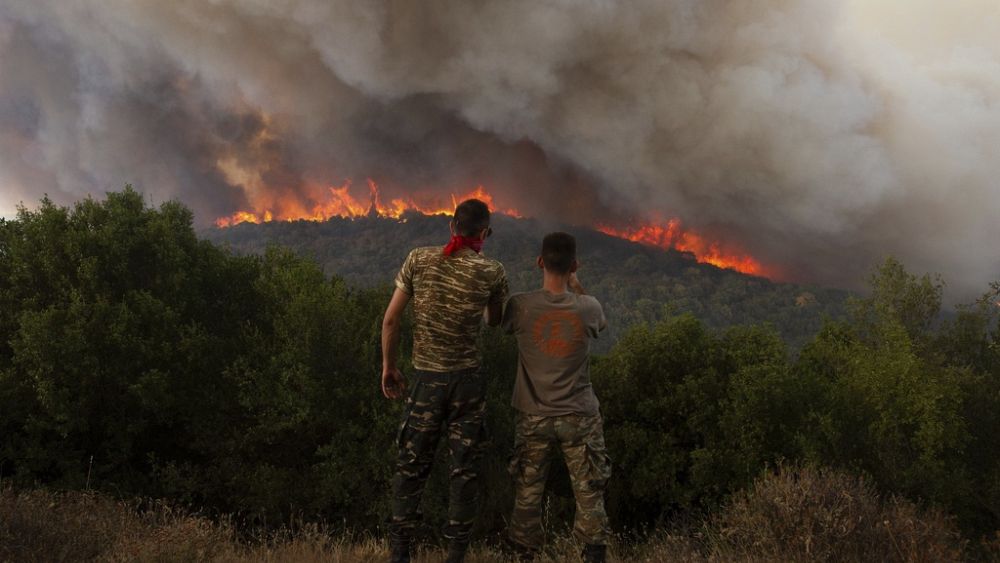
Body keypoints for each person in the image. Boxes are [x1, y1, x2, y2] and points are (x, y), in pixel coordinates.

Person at [381, 198, 509, 563]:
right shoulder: (493, 271)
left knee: (411, 466)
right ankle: (456, 555)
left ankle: (400, 552)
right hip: (467, 384)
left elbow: (391, 321)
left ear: (452, 227)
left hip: (425, 381)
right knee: (464, 471)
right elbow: (494, 321)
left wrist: (388, 366)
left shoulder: (418, 259)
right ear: (483, 233)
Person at [502, 232, 612, 563]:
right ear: (574, 265)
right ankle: (593, 555)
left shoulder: (520, 306)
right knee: (589, 491)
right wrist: (577, 285)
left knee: (527, 493)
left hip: (533, 415)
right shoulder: (587, 307)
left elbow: (496, 322)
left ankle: (524, 554)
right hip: (579, 416)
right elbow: (601, 324)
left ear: (539, 262)